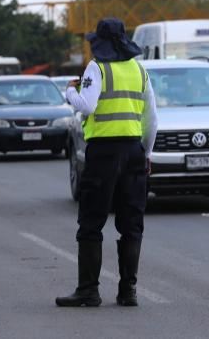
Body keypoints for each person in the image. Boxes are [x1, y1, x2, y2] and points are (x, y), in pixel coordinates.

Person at [56, 18, 158, 308]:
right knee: (131, 224)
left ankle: (88, 290)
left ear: (99, 42)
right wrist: (147, 153)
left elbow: (87, 105)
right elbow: (152, 119)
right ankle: (128, 292)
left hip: (103, 154)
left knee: (91, 222)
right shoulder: (139, 70)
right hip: (133, 152)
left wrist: (69, 93)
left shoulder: (96, 68)